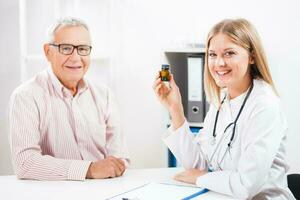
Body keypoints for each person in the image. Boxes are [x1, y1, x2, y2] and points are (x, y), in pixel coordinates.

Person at [153, 18, 295, 199]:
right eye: (212, 54)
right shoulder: (221, 99)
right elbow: (197, 166)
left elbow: (246, 186)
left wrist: (202, 178)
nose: (219, 63)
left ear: (252, 56)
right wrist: (175, 109)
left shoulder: (264, 106)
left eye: (229, 53)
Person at [9, 17, 129, 181]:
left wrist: (113, 168)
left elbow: (120, 160)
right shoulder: (25, 96)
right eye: (66, 48)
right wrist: (89, 169)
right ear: (48, 52)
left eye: (83, 48)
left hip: (104, 190)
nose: (75, 57)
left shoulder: (105, 95)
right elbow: (25, 164)